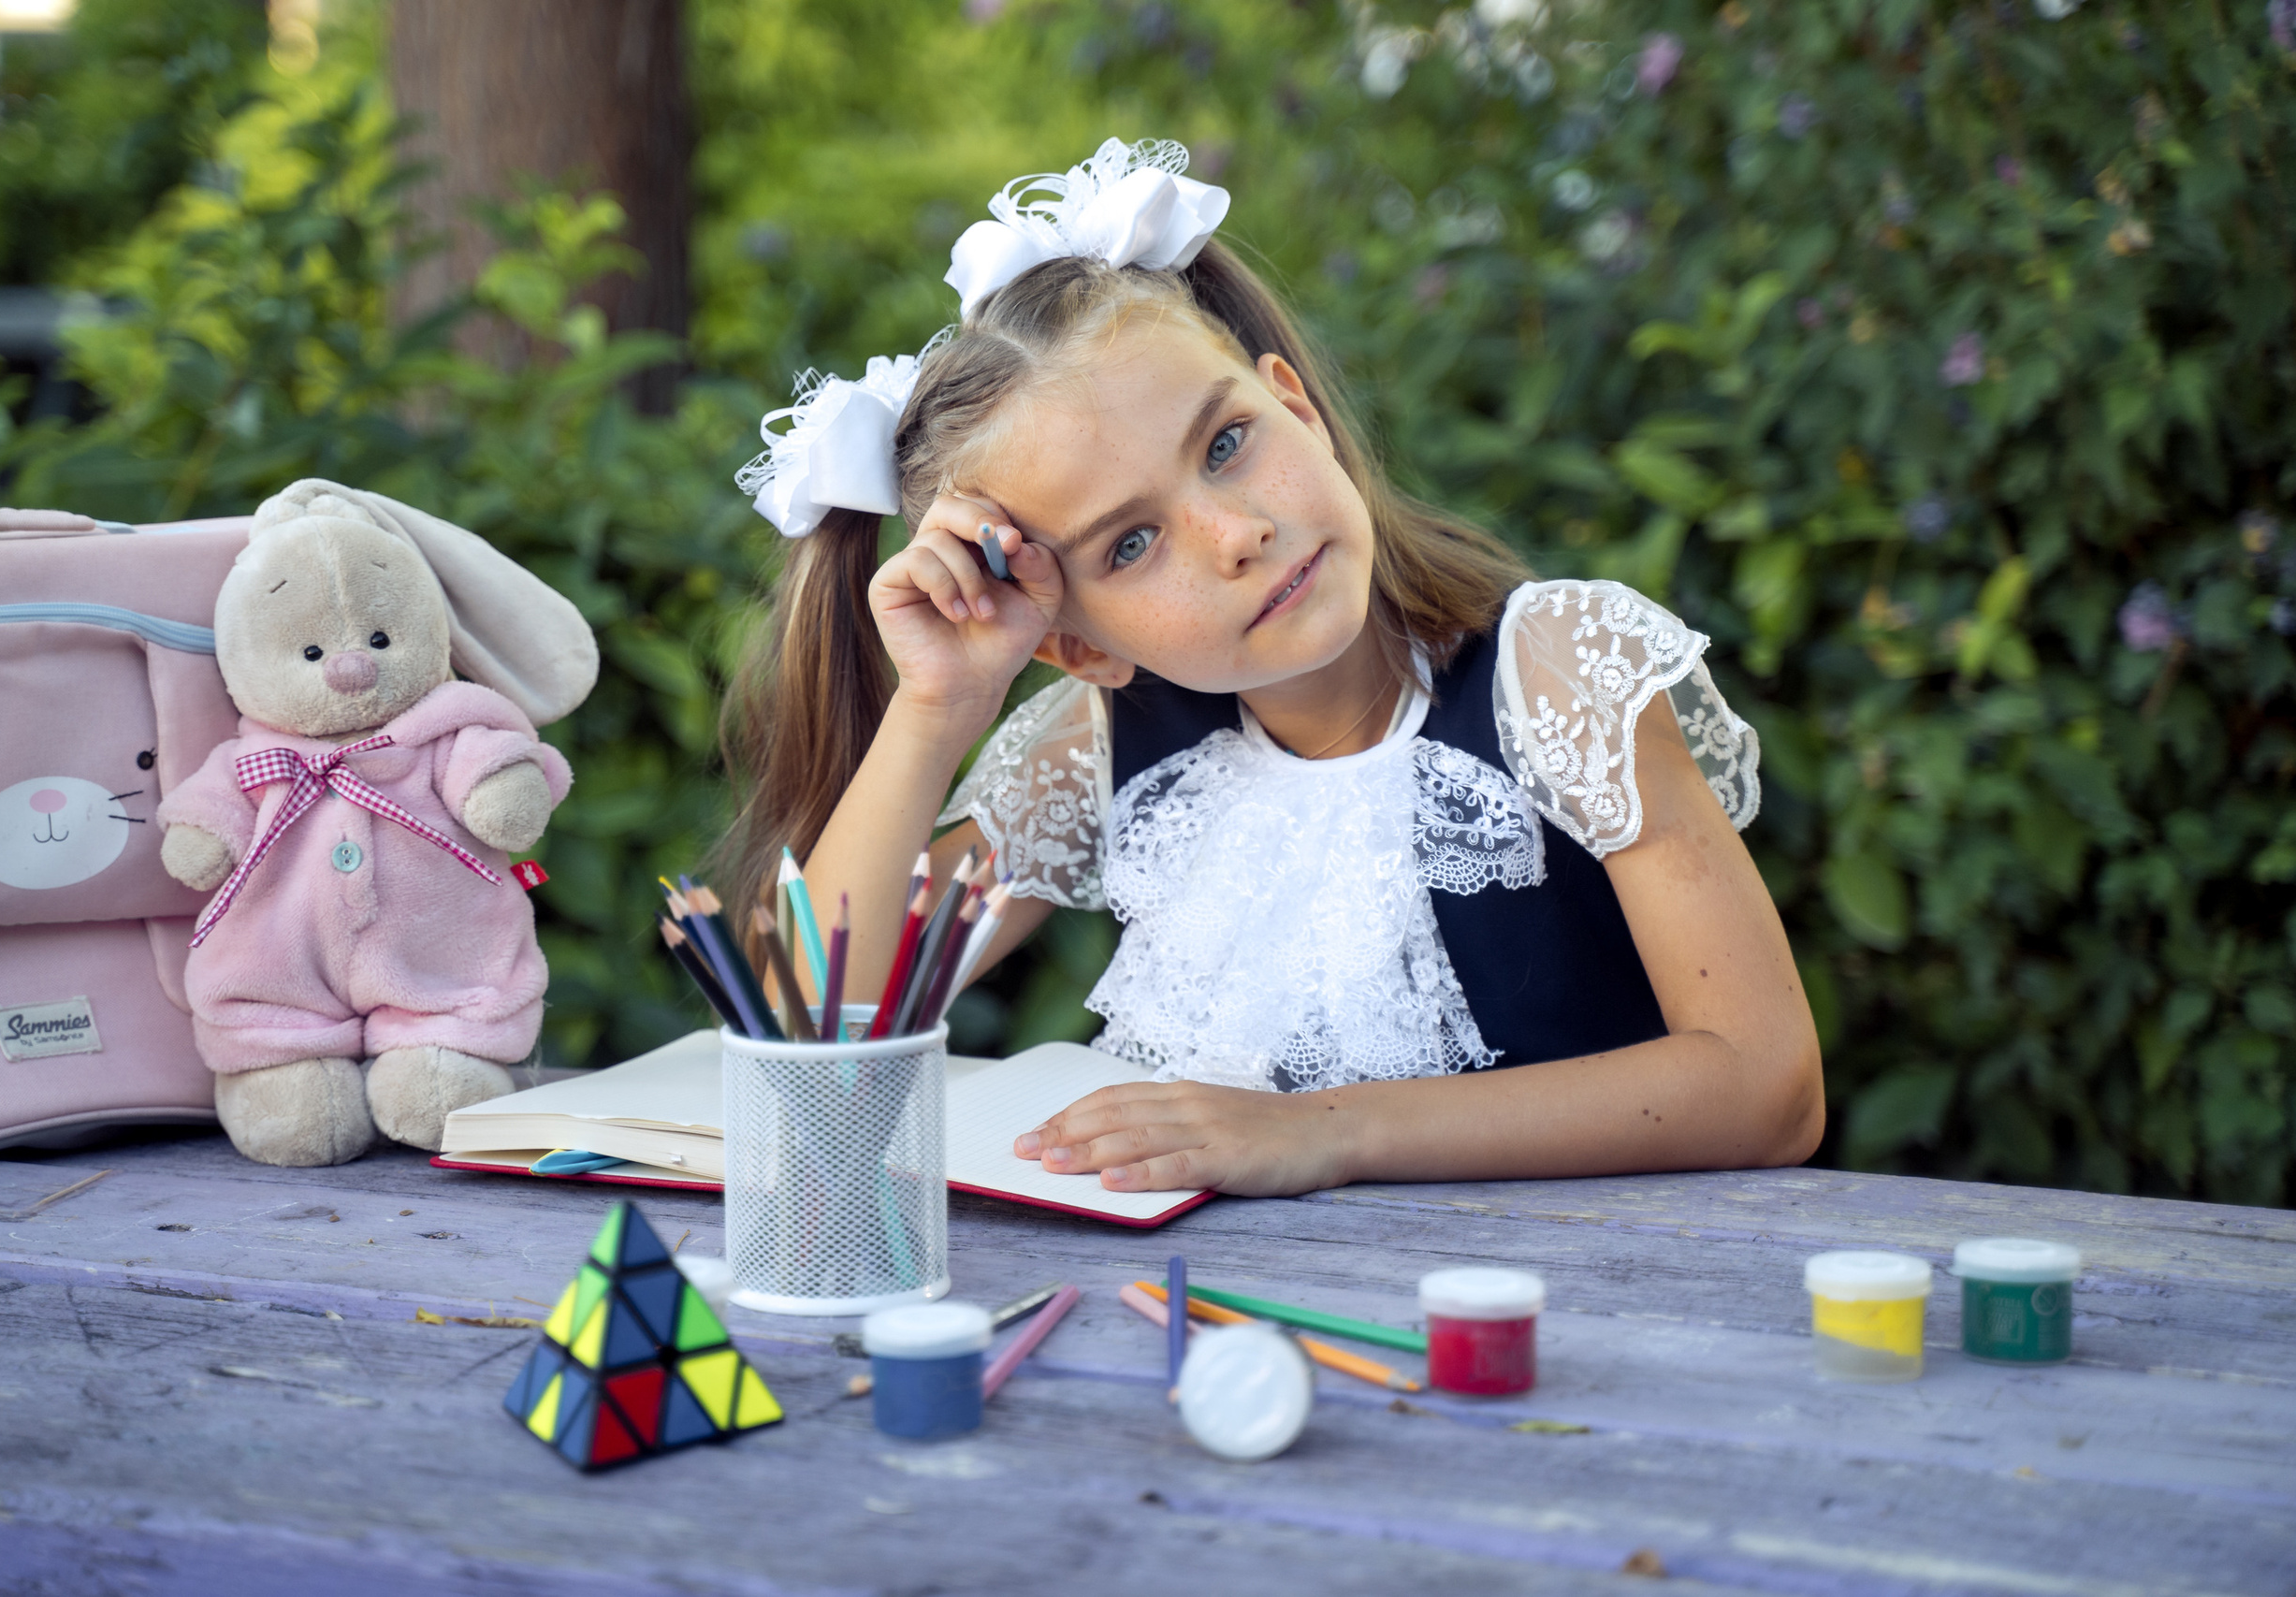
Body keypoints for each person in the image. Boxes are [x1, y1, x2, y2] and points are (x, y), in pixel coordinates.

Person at [719, 138, 1822, 1198]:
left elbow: (1765, 1087)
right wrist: (937, 707)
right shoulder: (1101, 739)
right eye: (1132, 544)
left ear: (1293, 403)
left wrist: (1316, 1134)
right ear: (1082, 645)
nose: (1232, 532)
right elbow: (809, 1032)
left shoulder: (1555, 673)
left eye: (1226, 443)